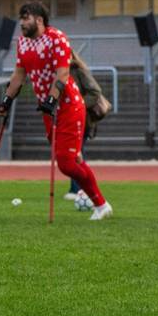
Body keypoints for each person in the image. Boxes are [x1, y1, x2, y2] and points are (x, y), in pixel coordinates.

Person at [0, 2, 112, 220]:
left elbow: (62, 75)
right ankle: (101, 205)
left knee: (66, 164)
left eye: (26, 18)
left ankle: (99, 203)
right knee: (74, 160)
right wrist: (5, 101)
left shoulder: (56, 38)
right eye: (21, 19)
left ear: (39, 20)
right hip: (48, 110)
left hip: (68, 106)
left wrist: (51, 100)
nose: (21, 23)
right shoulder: (22, 42)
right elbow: (18, 76)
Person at [66, 49, 112, 208]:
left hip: (81, 119)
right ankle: (76, 188)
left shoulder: (78, 71)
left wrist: (78, 105)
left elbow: (95, 91)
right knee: (72, 154)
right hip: (69, 119)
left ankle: (77, 188)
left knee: (76, 153)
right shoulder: (59, 73)